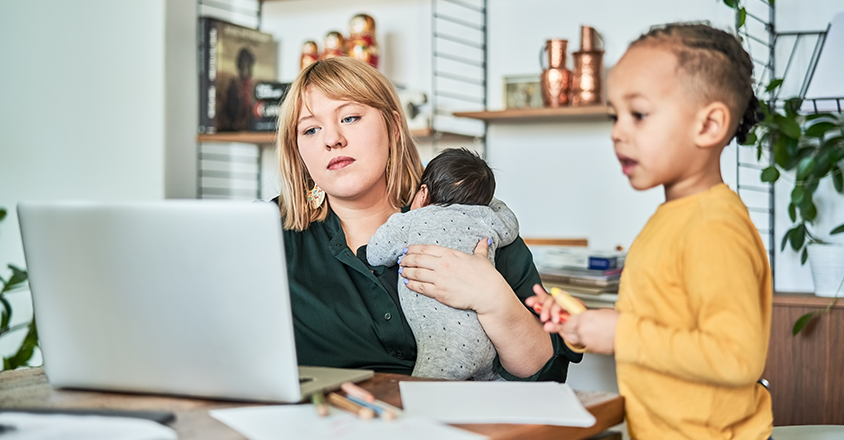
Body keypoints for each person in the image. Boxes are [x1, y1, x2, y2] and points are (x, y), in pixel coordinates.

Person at [527, 23, 774, 439]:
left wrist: (620, 333)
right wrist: (587, 323)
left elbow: (736, 357)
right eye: (614, 115)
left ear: (709, 125)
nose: (618, 132)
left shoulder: (715, 228)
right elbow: (663, 322)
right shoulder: (674, 216)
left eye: (638, 114)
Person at [274, 56, 580, 382]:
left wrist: (494, 300)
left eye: (349, 118)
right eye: (310, 129)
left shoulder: (470, 213)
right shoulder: (269, 235)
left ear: (393, 127)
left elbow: (547, 375)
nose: (331, 139)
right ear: (297, 150)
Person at [367, 148, 518, 381]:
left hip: (445, 344)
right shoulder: (486, 218)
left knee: (423, 395)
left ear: (423, 192)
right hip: (489, 342)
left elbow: (375, 254)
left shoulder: (412, 220)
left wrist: (404, 216)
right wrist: (483, 199)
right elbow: (510, 224)